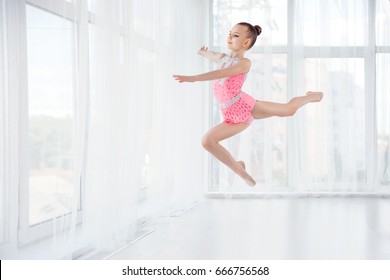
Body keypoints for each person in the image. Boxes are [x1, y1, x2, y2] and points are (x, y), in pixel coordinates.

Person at [173, 22, 323, 186]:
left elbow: (222, 73)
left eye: (235, 35)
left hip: (244, 107)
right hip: (229, 113)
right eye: (230, 33)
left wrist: (194, 78)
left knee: (289, 110)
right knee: (207, 141)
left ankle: (311, 96)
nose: (230, 37)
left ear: (245, 43)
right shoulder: (223, 58)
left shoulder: (244, 63)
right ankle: (239, 168)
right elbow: (213, 55)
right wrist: (202, 52)